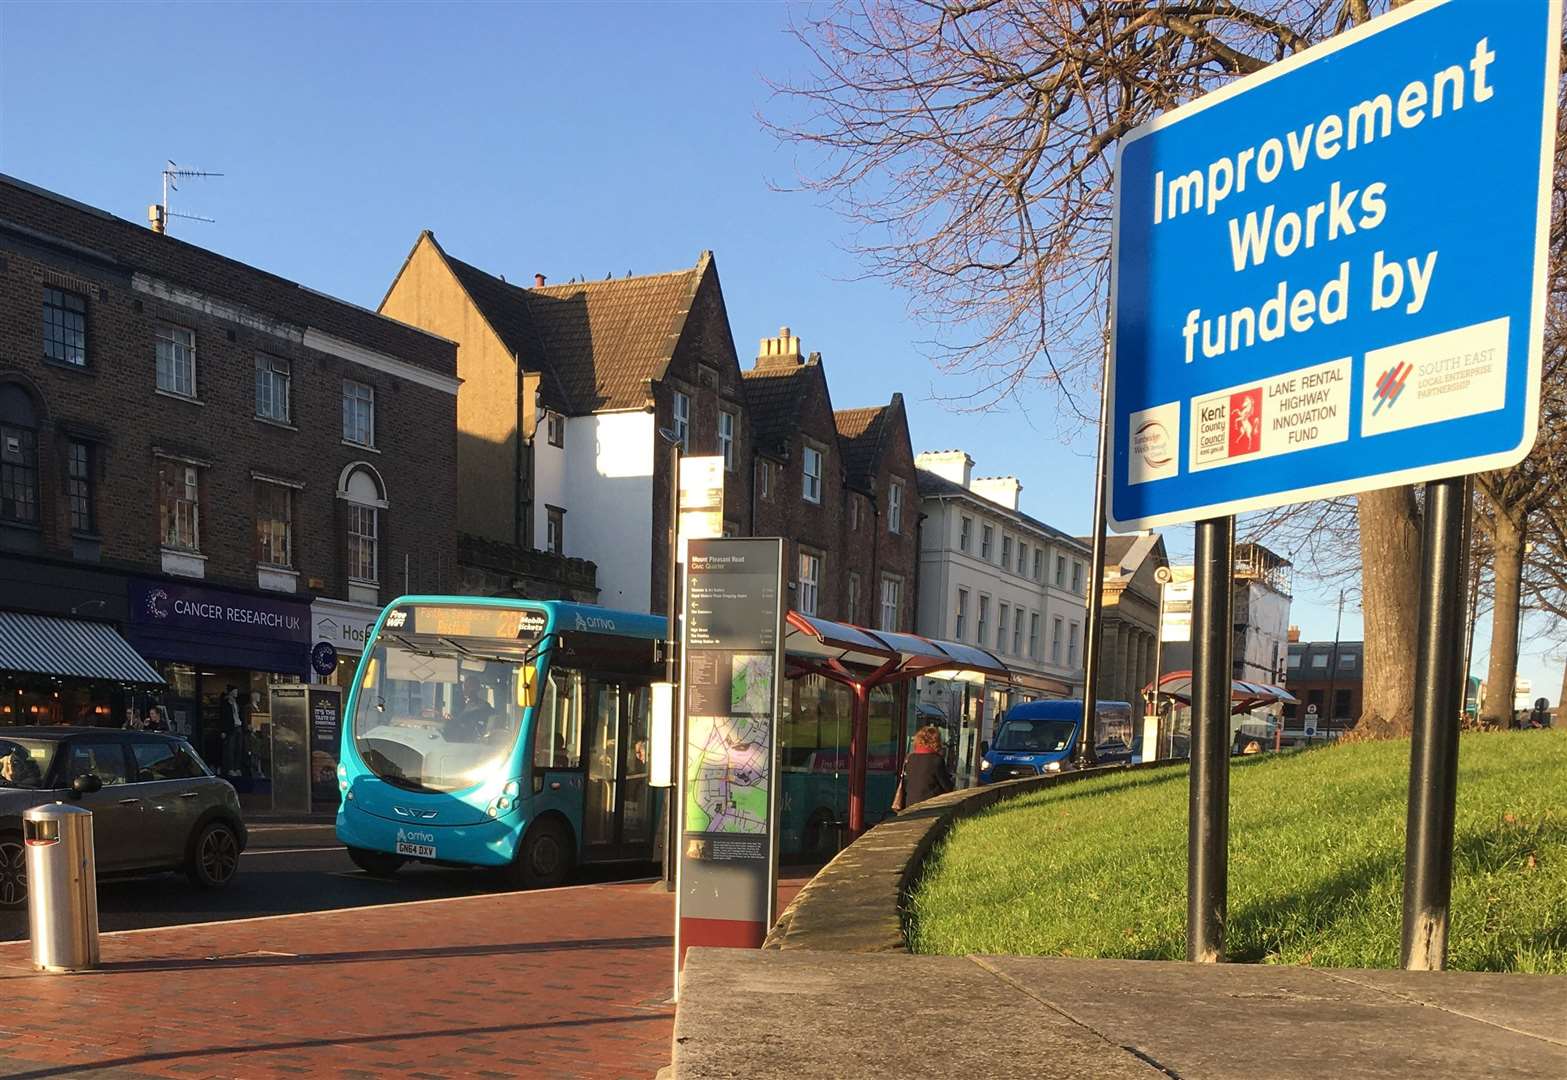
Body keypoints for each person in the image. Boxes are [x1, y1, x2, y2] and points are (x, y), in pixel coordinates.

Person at [901, 724, 955, 808]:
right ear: (936, 742)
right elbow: (947, 786)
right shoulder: (936, 760)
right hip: (930, 804)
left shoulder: (910, 758)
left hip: (910, 804)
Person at [221, 687, 244, 777]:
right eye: (235, 691)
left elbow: (239, 714)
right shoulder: (226, 704)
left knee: (239, 748)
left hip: (239, 726)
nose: (236, 693)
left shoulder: (236, 704)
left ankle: (237, 768)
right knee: (230, 749)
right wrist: (223, 730)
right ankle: (230, 768)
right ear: (231, 692)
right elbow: (223, 718)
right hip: (231, 728)